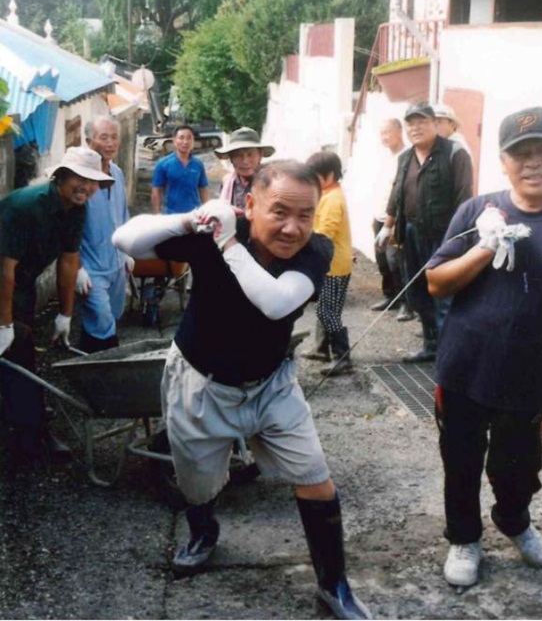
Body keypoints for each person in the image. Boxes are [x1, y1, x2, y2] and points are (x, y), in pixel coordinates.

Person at [112, 160, 371, 620]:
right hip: (200, 384)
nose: (293, 228)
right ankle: (202, 531)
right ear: (250, 205)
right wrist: (191, 219)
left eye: (305, 214)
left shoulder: (315, 249)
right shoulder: (216, 231)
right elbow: (126, 240)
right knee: (196, 483)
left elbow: (276, 303)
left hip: (272, 386)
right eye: (279, 212)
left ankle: (335, 587)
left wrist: (227, 242)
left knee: (316, 477)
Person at [426, 106, 542, 588]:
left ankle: (514, 521)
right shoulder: (477, 211)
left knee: (519, 467)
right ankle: (464, 538)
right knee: (461, 461)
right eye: (519, 154)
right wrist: (484, 248)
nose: (532, 162)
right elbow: (435, 283)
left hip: (531, 377)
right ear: (504, 163)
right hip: (464, 370)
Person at [0, 147, 113, 464]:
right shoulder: (26, 207)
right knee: (18, 351)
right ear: (61, 176)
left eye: (93, 182)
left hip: (21, 285)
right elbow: (4, 269)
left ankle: (22, 419)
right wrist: (4, 324)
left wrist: (65, 315)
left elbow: (68, 261)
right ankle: (30, 433)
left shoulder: (76, 209)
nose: (87, 188)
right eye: (80, 178)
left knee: (17, 354)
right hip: (4, 278)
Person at [378, 101, 473, 362]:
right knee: (417, 292)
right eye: (411, 123)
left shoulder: (455, 153)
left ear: (435, 124)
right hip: (410, 233)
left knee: (444, 294)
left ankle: (450, 353)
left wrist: (456, 240)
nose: (416, 128)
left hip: (443, 235)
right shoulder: (405, 157)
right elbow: (396, 191)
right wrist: (387, 226)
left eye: (422, 122)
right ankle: (431, 346)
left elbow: (465, 201)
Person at [75, 116, 132, 353]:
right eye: (104, 137)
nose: (110, 143)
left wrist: (128, 251)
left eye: (114, 137)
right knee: (102, 317)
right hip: (92, 267)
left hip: (117, 262)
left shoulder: (117, 173)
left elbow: (123, 213)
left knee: (113, 315)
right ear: (89, 142)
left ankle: (86, 363)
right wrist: (77, 267)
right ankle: (109, 372)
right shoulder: (79, 180)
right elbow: (67, 228)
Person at [305, 151, 353, 374]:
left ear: (330, 174)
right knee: (327, 308)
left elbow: (325, 232)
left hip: (334, 266)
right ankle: (322, 348)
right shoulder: (328, 192)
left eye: (317, 176)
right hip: (333, 263)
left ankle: (343, 355)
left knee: (327, 312)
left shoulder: (333, 199)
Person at [371, 119, 414, 322]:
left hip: (395, 218)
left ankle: (406, 303)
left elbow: (400, 193)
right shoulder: (384, 157)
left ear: (399, 131)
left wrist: (394, 221)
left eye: (388, 132)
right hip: (379, 214)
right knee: (382, 260)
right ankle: (390, 297)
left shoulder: (406, 157)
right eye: (381, 133)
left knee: (396, 261)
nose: (384, 137)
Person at [215, 126, 275, 214]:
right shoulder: (227, 181)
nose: (245, 161)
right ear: (231, 159)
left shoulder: (272, 182)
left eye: (250, 154)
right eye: (238, 155)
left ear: (260, 155)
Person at [151, 124, 210, 214]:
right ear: (174, 141)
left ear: (193, 141)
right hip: (171, 215)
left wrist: (207, 211)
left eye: (189, 138)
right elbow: (156, 191)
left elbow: (203, 189)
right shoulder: (164, 164)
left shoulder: (198, 164)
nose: (185, 142)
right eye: (181, 138)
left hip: (194, 214)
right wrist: (156, 213)